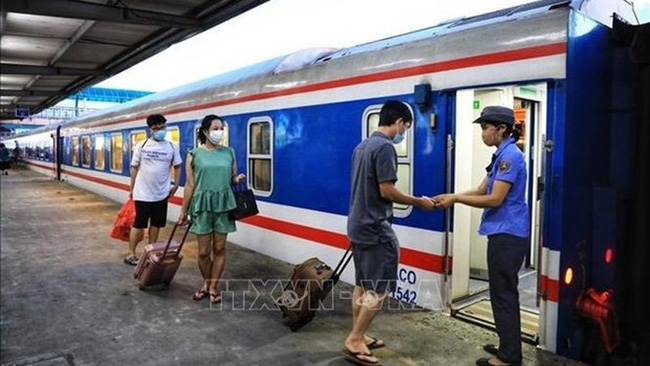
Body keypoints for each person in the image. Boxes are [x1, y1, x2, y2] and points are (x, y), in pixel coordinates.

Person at [433, 106, 528, 366]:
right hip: (502, 234)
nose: (483, 133)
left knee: (504, 294)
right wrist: (451, 196)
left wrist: (456, 199)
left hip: (508, 235)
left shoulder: (510, 158)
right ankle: (506, 345)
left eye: (485, 127)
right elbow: (480, 189)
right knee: (500, 292)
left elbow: (495, 199)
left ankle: (509, 357)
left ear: (501, 129)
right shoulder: (501, 156)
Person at [344, 100, 435, 366]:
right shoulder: (385, 147)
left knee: (362, 284)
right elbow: (387, 191)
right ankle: (354, 339)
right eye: (405, 126)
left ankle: (359, 335)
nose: (404, 131)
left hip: (357, 224)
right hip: (376, 228)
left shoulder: (362, 146)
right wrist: (420, 202)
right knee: (380, 289)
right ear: (398, 122)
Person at [178, 114, 245, 304]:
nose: (220, 132)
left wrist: (237, 179)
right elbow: (189, 185)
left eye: (221, 128)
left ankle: (213, 286)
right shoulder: (194, 153)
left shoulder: (229, 152)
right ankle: (206, 283)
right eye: (216, 128)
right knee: (203, 252)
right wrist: (184, 210)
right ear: (206, 131)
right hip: (202, 206)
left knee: (220, 248)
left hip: (224, 204)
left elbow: (231, 178)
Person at [124, 114, 182, 265]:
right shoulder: (142, 145)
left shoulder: (171, 146)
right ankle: (131, 253)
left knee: (156, 224)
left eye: (162, 127)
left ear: (166, 126)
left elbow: (177, 166)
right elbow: (134, 168)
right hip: (142, 193)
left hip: (162, 193)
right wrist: (132, 189)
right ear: (150, 129)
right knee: (139, 224)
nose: (160, 131)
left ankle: (150, 251)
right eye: (156, 128)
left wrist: (176, 184)